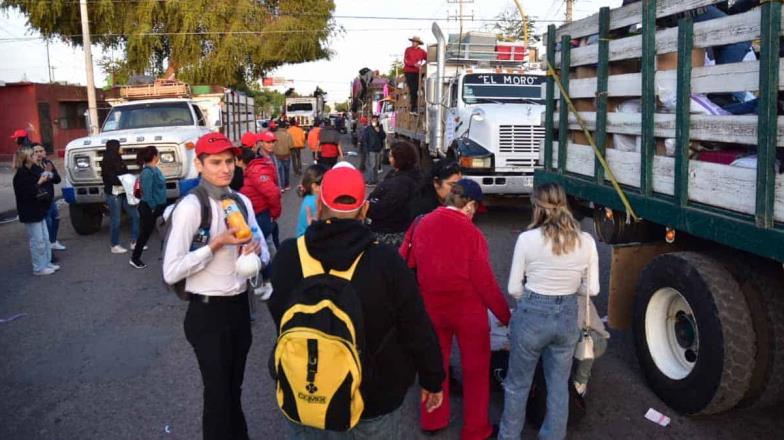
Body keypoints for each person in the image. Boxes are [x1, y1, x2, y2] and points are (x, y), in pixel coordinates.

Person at [267, 163, 445, 440]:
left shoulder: (290, 255)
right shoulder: (386, 261)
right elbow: (416, 326)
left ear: (319, 205)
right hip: (373, 396)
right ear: (364, 210)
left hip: (305, 392)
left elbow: (278, 309)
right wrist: (432, 378)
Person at [163, 132, 268, 440]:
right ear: (199, 164)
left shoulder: (241, 201)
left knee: (232, 391)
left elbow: (263, 248)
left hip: (239, 309)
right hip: (207, 315)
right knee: (218, 395)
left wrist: (256, 252)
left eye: (230, 161)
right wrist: (215, 244)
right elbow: (170, 271)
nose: (225, 169)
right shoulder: (191, 207)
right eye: (215, 162)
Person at [400, 179, 511, 439]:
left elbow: (409, 260)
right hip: (467, 310)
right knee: (476, 369)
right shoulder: (472, 234)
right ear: (470, 205)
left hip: (431, 307)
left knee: (435, 364)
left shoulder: (421, 223)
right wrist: (504, 315)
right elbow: (484, 282)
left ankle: (433, 418)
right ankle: (475, 429)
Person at [498, 183, 599, 440]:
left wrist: (534, 299)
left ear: (537, 206)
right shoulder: (585, 241)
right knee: (558, 386)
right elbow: (593, 289)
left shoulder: (527, 239)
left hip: (532, 314)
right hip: (566, 316)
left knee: (517, 385)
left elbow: (513, 288)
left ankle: (509, 436)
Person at [240, 130, 282, 300]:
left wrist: (274, 214)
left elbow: (273, 193)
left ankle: (271, 283)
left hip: (261, 216)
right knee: (262, 249)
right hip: (257, 215)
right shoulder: (256, 167)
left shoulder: (255, 170)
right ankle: (266, 282)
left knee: (263, 251)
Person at [366, 141, 422, 248]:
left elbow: (384, 208)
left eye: (392, 156)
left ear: (400, 159)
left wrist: (369, 206)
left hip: (390, 233)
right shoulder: (396, 174)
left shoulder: (401, 184)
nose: (389, 158)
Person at [13, 145, 57, 276]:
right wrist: (40, 181)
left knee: (45, 238)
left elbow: (50, 175)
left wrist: (46, 172)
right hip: (30, 211)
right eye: (32, 154)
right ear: (26, 158)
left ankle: (47, 262)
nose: (36, 156)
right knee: (37, 240)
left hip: (39, 208)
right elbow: (28, 192)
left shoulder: (33, 168)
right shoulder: (21, 174)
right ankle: (39, 267)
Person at [129, 146, 166, 269]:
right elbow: (147, 193)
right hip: (150, 207)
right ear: (154, 156)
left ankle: (167, 255)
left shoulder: (155, 169)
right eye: (158, 153)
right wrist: (153, 207)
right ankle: (135, 258)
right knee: (145, 233)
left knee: (164, 230)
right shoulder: (147, 172)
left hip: (158, 206)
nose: (159, 155)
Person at [101, 139, 140, 254]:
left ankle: (135, 241)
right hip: (114, 194)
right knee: (115, 220)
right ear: (114, 148)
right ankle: (114, 245)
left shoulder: (118, 160)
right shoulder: (107, 163)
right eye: (119, 146)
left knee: (135, 215)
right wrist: (125, 180)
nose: (121, 148)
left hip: (123, 192)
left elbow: (125, 173)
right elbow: (111, 179)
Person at [32, 144, 66, 251]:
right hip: (40, 199)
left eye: (41, 151)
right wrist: (42, 178)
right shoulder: (32, 166)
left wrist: (49, 175)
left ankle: (53, 241)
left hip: (50, 197)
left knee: (56, 219)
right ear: (32, 154)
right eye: (36, 151)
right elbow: (34, 182)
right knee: (47, 222)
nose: (39, 153)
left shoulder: (47, 163)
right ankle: (48, 247)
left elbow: (57, 179)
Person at [295, 164, 326, 237]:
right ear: (315, 186)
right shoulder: (315, 202)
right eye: (325, 183)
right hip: (308, 241)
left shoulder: (310, 198)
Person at [404, 35, 427, 113]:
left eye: (415, 42)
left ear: (418, 43)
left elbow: (428, 57)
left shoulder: (422, 51)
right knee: (413, 89)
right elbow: (405, 60)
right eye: (412, 41)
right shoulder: (408, 50)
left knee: (417, 89)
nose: (413, 43)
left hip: (418, 72)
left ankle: (418, 106)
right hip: (409, 72)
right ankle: (413, 108)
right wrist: (414, 64)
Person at [361, 115, 386, 185]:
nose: (374, 122)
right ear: (371, 121)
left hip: (378, 149)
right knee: (372, 165)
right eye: (373, 120)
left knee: (376, 166)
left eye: (376, 120)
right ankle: (370, 180)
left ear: (378, 121)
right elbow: (364, 139)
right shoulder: (368, 129)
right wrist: (366, 149)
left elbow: (384, 136)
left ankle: (375, 180)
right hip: (371, 149)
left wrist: (379, 131)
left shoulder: (380, 128)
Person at [272, 121, 294, 191]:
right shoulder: (288, 134)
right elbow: (291, 145)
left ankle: (281, 186)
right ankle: (286, 185)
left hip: (277, 155)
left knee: (279, 171)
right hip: (286, 155)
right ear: (285, 127)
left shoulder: (274, 134)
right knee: (286, 170)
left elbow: (272, 145)